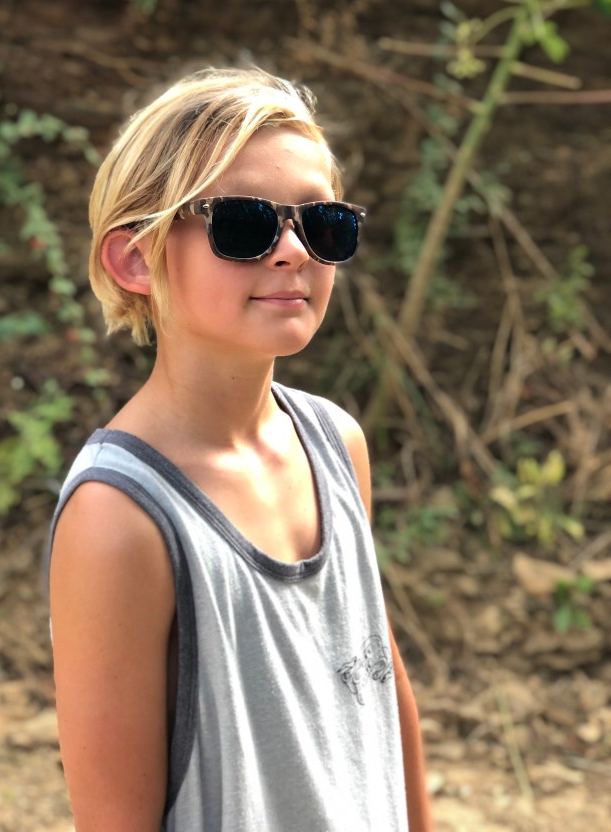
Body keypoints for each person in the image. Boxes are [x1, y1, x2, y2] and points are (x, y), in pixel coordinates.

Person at [47, 67, 434, 832]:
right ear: (135, 259)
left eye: (323, 224)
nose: (292, 250)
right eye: (244, 222)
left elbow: (380, 688)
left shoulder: (336, 445)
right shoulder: (120, 518)